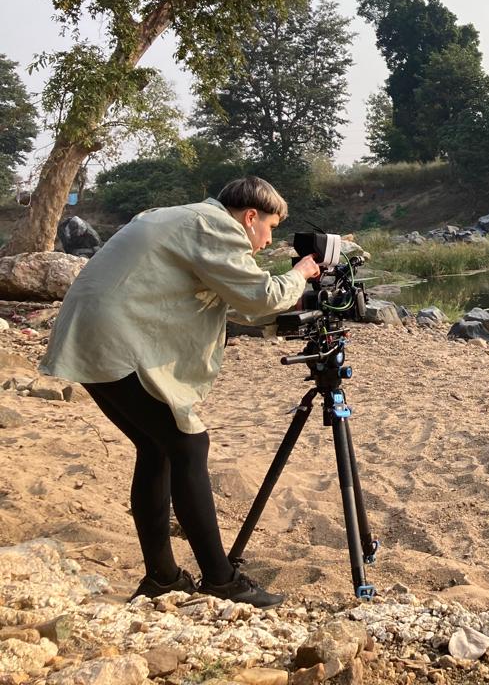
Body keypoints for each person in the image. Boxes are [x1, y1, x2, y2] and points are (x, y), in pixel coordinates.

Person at [40, 177, 322, 607]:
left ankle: (163, 578)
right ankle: (220, 579)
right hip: (113, 341)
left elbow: (224, 300)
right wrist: (300, 273)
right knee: (189, 445)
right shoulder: (216, 227)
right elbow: (261, 296)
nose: (268, 241)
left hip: (87, 336)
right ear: (250, 217)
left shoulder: (180, 217)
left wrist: (282, 306)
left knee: (156, 448)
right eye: (271, 228)